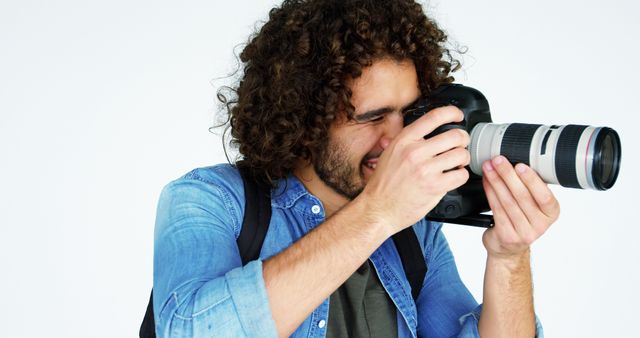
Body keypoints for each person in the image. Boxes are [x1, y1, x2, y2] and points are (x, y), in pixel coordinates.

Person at [152, 0, 560, 337]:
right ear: (305, 119)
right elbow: (190, 330)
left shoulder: (416, 233)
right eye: (370, 117)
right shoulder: (211, 199)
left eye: (409, 113)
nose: (398, 139)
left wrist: (509, 256)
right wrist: (378, 212)